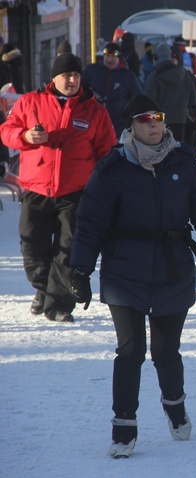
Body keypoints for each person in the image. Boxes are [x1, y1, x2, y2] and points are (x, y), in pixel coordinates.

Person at [68, 95, 196, 458]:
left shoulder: (185, 164)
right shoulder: (111, 170)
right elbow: (90, 224)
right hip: (124, 269)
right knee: (130, 351)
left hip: (172, 267)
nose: (154, 124)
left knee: (166, 350)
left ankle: (174, 405)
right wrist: (80, 270)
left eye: (158, 117)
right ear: (131, 127)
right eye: (144, 120)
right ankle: (123, 427)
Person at [0, 53, 117, 322]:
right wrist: (26, 136)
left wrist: (104, 188)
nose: (72, 80)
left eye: (76, 75)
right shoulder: (31, 102)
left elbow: (107, 151)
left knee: (68, 251)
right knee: (33, 249)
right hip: (36, 189)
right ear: (54, 78)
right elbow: (7, 130)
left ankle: (58, 306)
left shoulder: (94, 110)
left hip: (75, 192)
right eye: (66, 75)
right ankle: (44, 290)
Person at [82, 42, 143, 138]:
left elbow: (137, 98)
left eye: (113, 57)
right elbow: (81, 88)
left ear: (119, 58)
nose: (110, 60)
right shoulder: (92, 70)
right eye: (107, 56)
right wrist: (91, 96)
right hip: (94, 124)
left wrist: (128, 116)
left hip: (119, 127)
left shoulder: (127, 76)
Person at [145, 43, 196, 142]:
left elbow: (149, 102)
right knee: (178, 152)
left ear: (156, 57)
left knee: (163, 153)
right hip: (181, 120)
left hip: (160, 122)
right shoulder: (185, 74)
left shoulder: (154, 76)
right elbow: (194, 99)